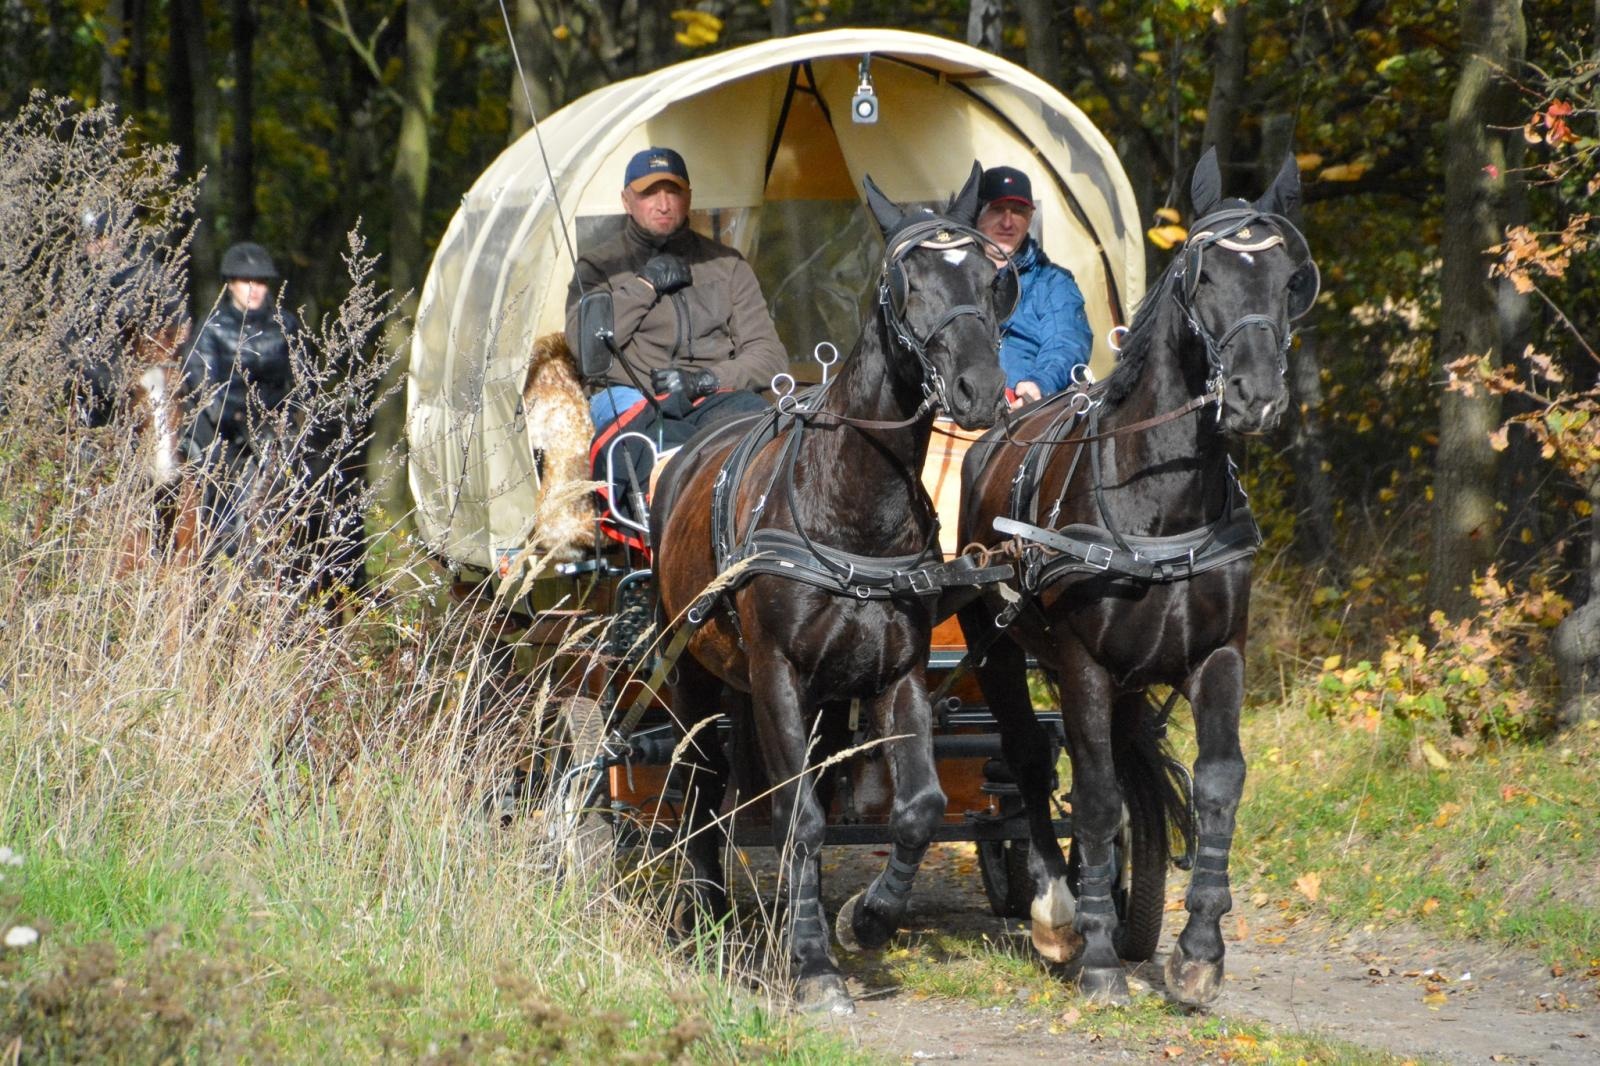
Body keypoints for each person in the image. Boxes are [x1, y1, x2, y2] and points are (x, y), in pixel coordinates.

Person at [564, 146, 786, 522]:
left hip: (713, 397)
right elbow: (586, 345)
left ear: (689, 198)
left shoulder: (726, 265)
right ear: (627, 200)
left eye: (674, 192)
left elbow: (769, 356)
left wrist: (707, 379)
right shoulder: (599, 266)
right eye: (649, 193)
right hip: (631, 396)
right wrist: (644, 285)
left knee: (766, 432)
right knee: (671, 452)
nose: (663, 204)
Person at [181, 240, 304, 554]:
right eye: (246, 282)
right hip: (225, 429)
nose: (254, 289)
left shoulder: (286, 325)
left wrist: (291, 417)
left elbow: (303, 380)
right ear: (230, 285)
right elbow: (201, 381)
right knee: (213, 485)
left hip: (273, 425)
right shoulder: (212, 328)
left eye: (261, 282)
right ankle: (212, 548)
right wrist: (231, 415)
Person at [974, 166, 1092, 409]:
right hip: (952, 411)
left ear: (1029, 218)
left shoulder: (1053, 283)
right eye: (997, 210)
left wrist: (1039, 384)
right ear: (977, 213)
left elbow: (1066, 343)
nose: (1008, 222)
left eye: (1018, 211)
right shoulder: (950, 275)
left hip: (1022, 416)